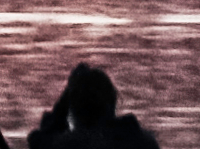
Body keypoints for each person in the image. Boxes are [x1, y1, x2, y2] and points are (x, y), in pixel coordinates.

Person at [29, 61, 158, 149]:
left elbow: (40, 140)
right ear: (112, 103)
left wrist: (66, 96)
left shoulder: (68, 144)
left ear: (74, 111)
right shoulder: (143, 141)